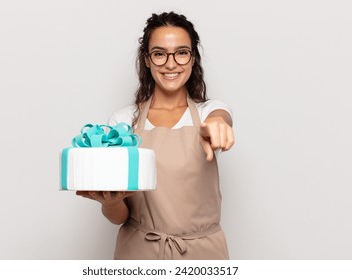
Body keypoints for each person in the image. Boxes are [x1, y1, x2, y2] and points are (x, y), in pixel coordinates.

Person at [77, 11, 235, 260]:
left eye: (181, 53)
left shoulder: (208, 113)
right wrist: (110, 202)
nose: (171, 64)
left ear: (193, 59)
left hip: (203, 254)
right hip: (139, 252)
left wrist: (219, 124)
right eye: (159, 53)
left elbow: (220, 118)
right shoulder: (123, 123)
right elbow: (120, 217)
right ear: (147, 60)